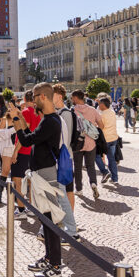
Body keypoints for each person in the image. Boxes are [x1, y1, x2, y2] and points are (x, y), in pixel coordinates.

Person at [9, 82, 64, 277]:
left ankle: (56, 265)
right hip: (41, 173)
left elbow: (25, 140)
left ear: (42, 97)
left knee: (50, 220)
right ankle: (49, 257)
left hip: (47, 174)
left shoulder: (50, 121)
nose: (32, 102)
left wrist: (15, 118)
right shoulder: (48, 119)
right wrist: (20, 117)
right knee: (44, 218)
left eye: (34, 97)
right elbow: (31, 135)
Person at [51, 84, 80, 241]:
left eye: (52, 95)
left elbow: (65, 141)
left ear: (59, 96)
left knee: (66, 191)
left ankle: (71, 226)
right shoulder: (57, 113)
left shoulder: (66, 114)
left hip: (64, 159)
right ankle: (66, 223)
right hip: (60, 158)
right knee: (61, 191)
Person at [71, 90, 103, 199]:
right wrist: (92, 127)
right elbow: (102, 125)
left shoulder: (73, 110)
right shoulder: (92, 110)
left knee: (78, 167)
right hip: (91, 143)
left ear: (75, 98)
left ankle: (79, 189)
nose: (71, 100)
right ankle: (93, 183)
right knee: (90, 166)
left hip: (78, 143)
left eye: (72, 98)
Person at [96, 97, 120, 185]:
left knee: (96, 155)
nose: (98, 105)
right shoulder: (112, 112)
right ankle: (115, 178)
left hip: (105, 139)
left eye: (99, 104)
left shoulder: (102, 115)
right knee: (111, 159)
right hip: (113, 138)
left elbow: (101, 126)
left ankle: (104, 171)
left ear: (102, 105)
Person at [0, 112, 16, 204]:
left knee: (16, 173)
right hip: (7, 148)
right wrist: (13, 130)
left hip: (18, 148)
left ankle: (15, 196)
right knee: (5, 170)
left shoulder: (19, 119)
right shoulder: (5, 120)